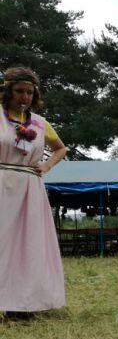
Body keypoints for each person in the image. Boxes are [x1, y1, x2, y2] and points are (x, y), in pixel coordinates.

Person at [0, 66, 67, 320]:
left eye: (29, 92)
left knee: (27, 244)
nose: (25, 97)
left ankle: (22, 303)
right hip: (2, 182)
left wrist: (46, 166)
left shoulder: (40, 123)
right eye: (19, 91)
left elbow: (61, 148)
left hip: (29, 187)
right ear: (7, 91)